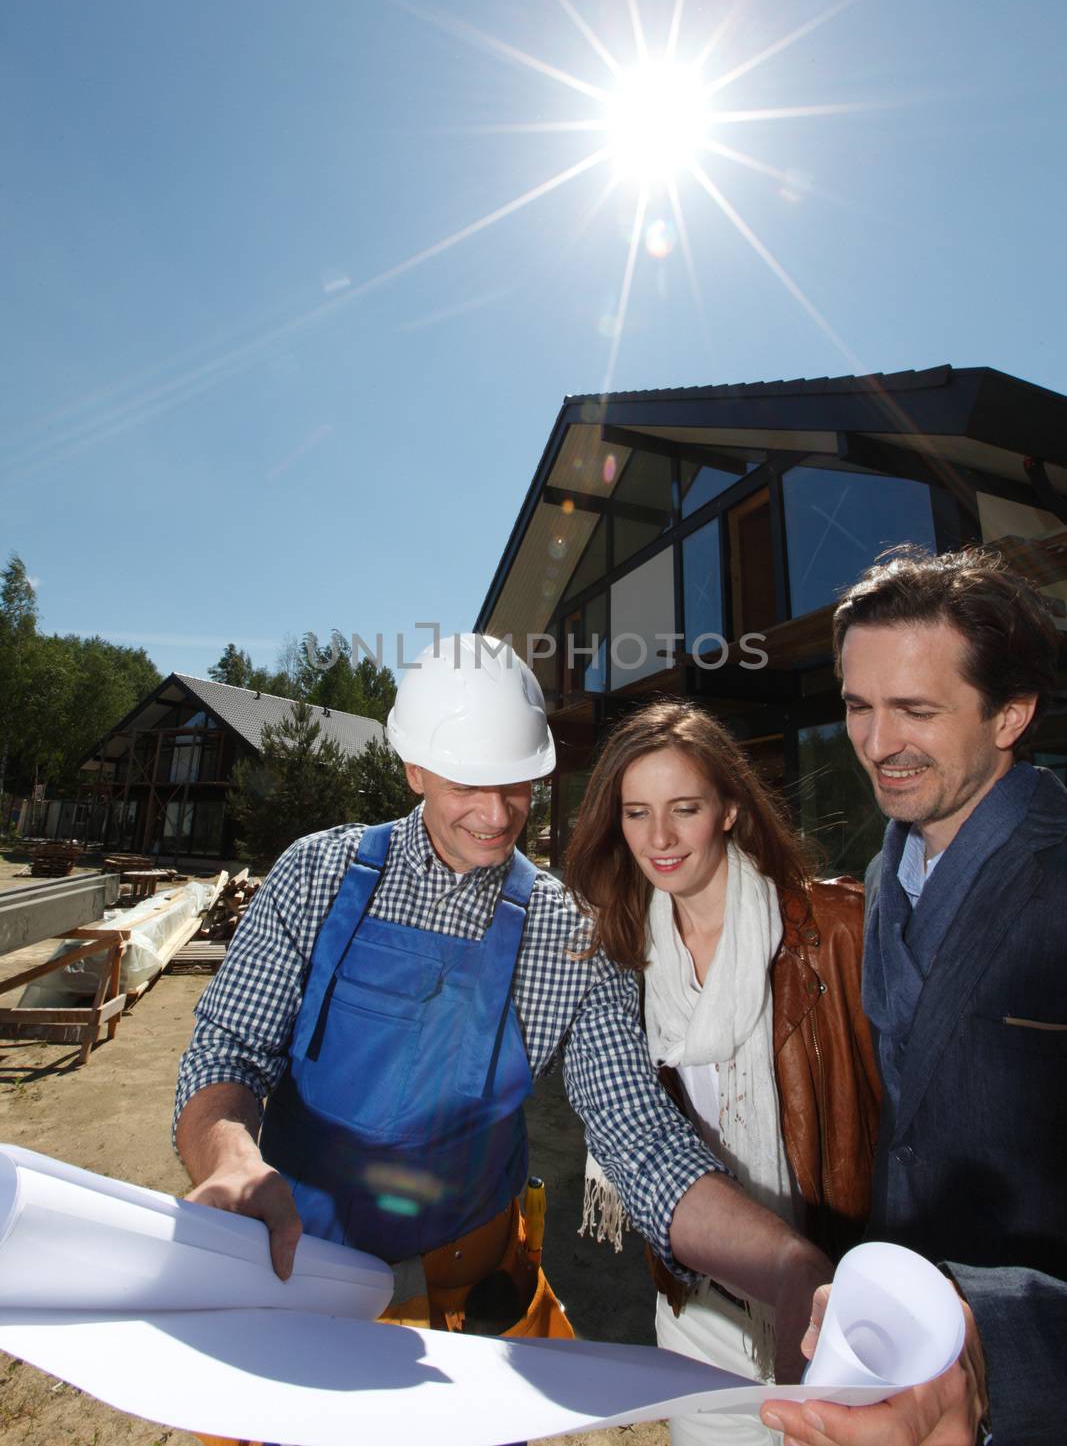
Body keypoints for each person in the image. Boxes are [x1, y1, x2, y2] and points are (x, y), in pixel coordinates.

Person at [175, 637, 832, 1394]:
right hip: (293, 1279)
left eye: (517, 784)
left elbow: (638, 1135)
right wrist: (229, 1159)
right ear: (413, 769)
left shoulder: (568, 934)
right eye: (467, 786)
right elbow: (230, 1050)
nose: (495, 815)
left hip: (469, 1306)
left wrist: (786, 1268)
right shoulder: (317, 875)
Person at [762, 545, 1065, 1446]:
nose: (876, 743)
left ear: (1010, 714)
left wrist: (992, 1346)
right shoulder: (883, 876)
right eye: (858, 707)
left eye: (915, 710)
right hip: (891, 1357)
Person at [564, 700, 881, 1446]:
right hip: (696, 1310)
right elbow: (631, 1129)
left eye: (684, 808)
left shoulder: (838, 933)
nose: (660, 839)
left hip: (834, 1306)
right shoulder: (618, 956)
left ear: (731, 808)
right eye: (637, 814)